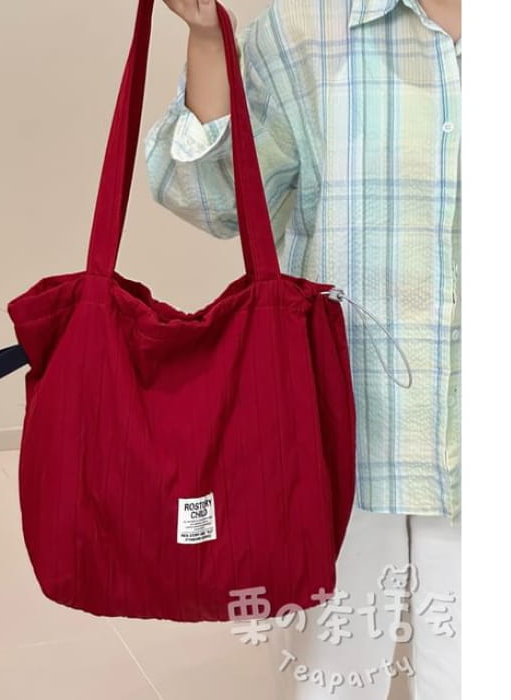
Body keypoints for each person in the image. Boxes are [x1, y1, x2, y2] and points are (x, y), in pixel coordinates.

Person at [144, 0, 461, 698]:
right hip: (341, 419)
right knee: (336, 676)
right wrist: (207, 42)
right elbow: (213, 200)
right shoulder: (303, 27)